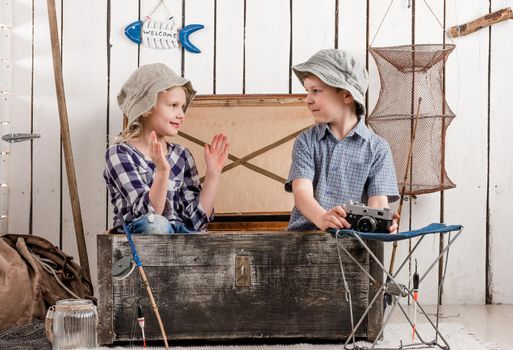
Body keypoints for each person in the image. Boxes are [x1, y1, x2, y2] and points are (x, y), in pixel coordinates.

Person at [104, 63, 229, 234]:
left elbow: (196, 223)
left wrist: (213, 173)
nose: (181, 114)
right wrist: (162, 172)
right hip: (139, 241)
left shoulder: (181, 156)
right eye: (173, 105)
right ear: (147, 108)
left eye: (182, 107)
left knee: (198, 237)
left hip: (177, 240)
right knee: (157, 224)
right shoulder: (120, 154)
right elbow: (149, 214)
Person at [285, 49, 399, 232]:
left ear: (347, 95)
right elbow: (301, 193)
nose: (307, 99)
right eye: (307, 91)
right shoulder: (306, 142)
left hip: (353, 245)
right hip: (304, 240)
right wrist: (321, 218)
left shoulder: (378, 149)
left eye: (316, 91)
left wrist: (383, 221)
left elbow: (378, 203)